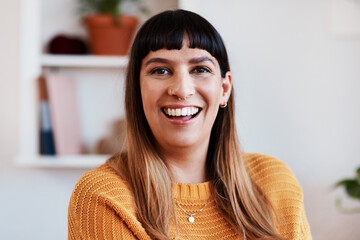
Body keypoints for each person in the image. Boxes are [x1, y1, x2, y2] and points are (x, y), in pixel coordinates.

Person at [68, 9, 312, 240]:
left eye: (200, 69)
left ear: (224, 89)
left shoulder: (274, 182)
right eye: (161, 70)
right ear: (137, 89)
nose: (182, 90)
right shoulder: (103, 197)